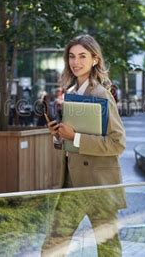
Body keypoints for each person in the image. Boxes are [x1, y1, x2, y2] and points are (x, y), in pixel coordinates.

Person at [42, 34, 126, 256]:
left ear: (95, 59)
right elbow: (71, 143)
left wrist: (75, 136)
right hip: (72, 183)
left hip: (99, 184)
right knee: (54, 244)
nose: (75, 62)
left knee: (108, 249)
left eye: (82, 56)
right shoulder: (70, 93)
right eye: (71, 56)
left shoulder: (102, 94)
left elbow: (117, 143)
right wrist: (60, 136)